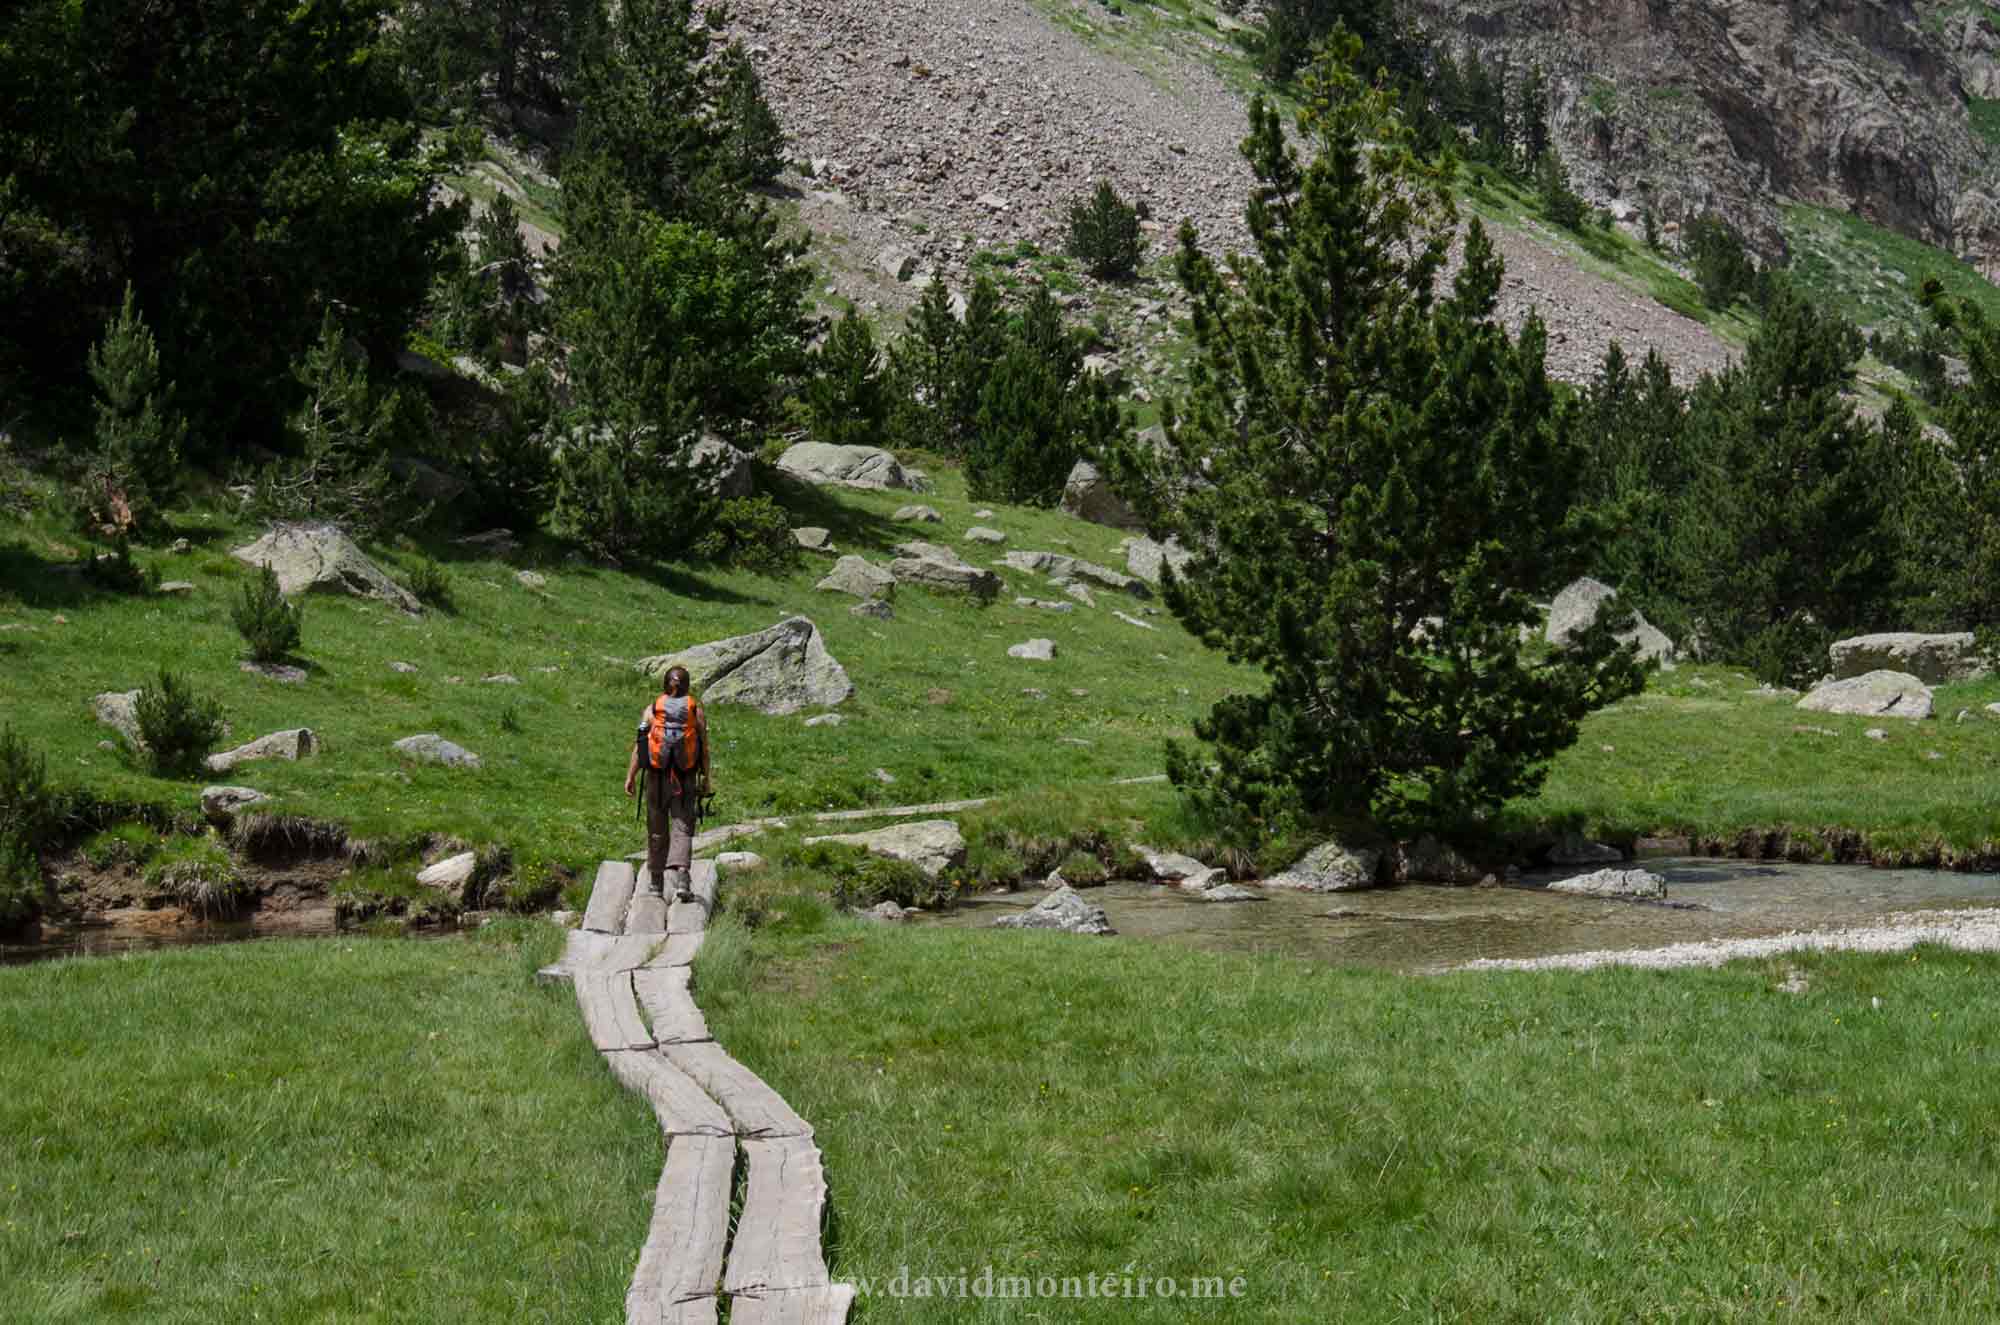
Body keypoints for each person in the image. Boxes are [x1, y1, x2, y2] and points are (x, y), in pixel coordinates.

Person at [624, 664, 711, 901]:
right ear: (687, 685)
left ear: (665, 684)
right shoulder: (695, 710)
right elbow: (704, 748)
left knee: (656, 827)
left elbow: (641, 745)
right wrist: (706, 778)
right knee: (682, 825)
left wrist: (631, 776)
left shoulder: (653, 709)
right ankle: (682, 879)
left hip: (656, 776)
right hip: (685, 777)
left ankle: (655, 883)